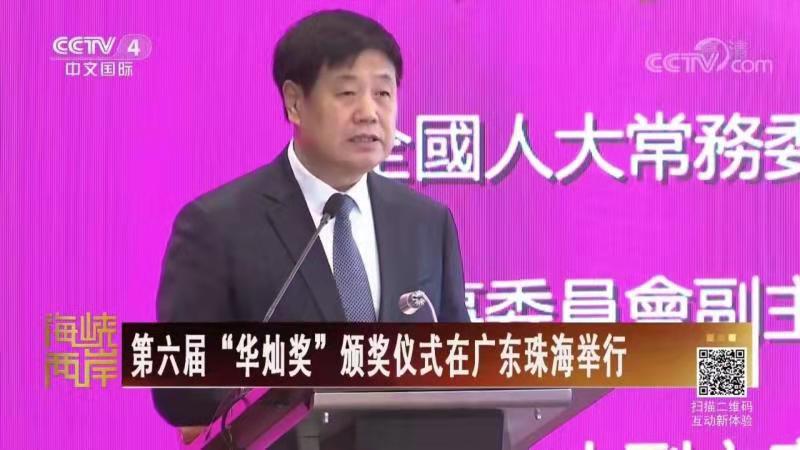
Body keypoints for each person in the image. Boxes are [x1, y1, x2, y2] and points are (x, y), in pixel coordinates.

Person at [152, 9, 470, 448]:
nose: (369, 113)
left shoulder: (426, 222)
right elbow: (180, 386)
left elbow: (460, 364)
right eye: (346, 93)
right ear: (295, 103)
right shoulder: (216, 225)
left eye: (383, 92)